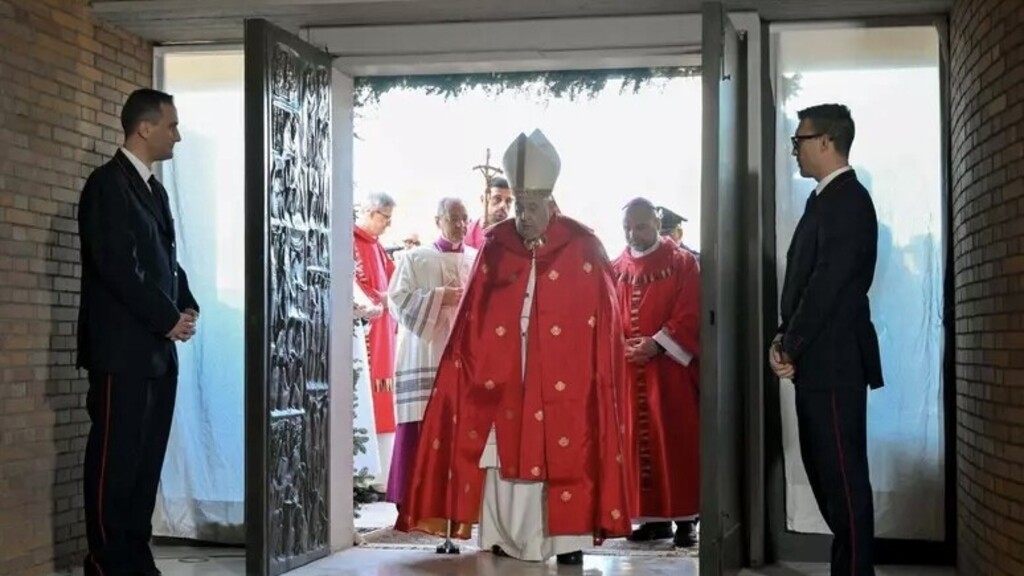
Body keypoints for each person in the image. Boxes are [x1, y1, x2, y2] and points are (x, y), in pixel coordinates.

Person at [395, 130, 632, 565]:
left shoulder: (584, 246)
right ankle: (501, 535)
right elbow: (473, 316)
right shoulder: (496, 244)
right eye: (518, 206)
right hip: (503, 371)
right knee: (498, 454)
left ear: (552, 205)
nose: (522, 216)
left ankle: (567, 541)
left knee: (566, 447)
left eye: (531, 207)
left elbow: (605, 322)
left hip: (566, 377)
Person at [77, 88, 200, 576]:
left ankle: (135, 557)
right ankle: (106, 562)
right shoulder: (107, 184)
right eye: (172, 125)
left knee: (146, 462)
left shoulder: (154, 190)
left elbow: (164, 261)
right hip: (121, 353)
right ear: (144, 128)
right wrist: (166, 317)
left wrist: (186, 303)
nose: (177, 135)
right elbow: (117, 266)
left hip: (157, 353)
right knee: (116, 461)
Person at [770, 103, 883, 576]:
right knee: (826, 477)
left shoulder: (849, 200)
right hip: (817, 361)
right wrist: (785, 338)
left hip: (835, 361)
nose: (794, 150)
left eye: (798, 141)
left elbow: (828, 283)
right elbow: (805, 284)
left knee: (843, 480)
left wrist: (789, 343)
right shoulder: (824, 199)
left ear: (825, 141)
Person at [612, 198, 701, 548]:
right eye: (627, 228)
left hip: (670, 372)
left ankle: (685, 520)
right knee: (636, 445)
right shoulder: (615, 267)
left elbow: (691, 311)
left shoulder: (682, 264)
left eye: (640, 226)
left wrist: (657, 343)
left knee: (675, 442)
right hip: (630, 370)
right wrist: (621, 345)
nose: (633, 234)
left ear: (656, 221)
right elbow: (606, 314)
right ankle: (652, 520)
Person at [385, 197, 477, 510]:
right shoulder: (415, 258)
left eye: (464, 218)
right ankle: (412, 498)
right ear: (438, 220)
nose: (460, 225)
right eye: (453, 218)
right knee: (420, 419)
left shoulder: (476, 258)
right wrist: (438, 297)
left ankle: (455, 501)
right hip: (424, 350)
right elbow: (396, 300)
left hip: (463, 352)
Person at [354, 192, 400, 492]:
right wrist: (378, 298)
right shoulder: (351, 242)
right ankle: (363, 476)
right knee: (366, 400)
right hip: (366, 335)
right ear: (370, 212)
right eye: (385, 217)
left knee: (383, 402)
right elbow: (354, 285)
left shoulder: (377, 246)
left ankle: (379, 476)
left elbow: (394, 280)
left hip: (384, 334)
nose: (388, 224)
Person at [465, 176, 513, 249]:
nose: (503, 205)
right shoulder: (465, 233)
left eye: (508, 201)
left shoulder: (515, 237)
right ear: (483, 200)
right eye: (497, 199)